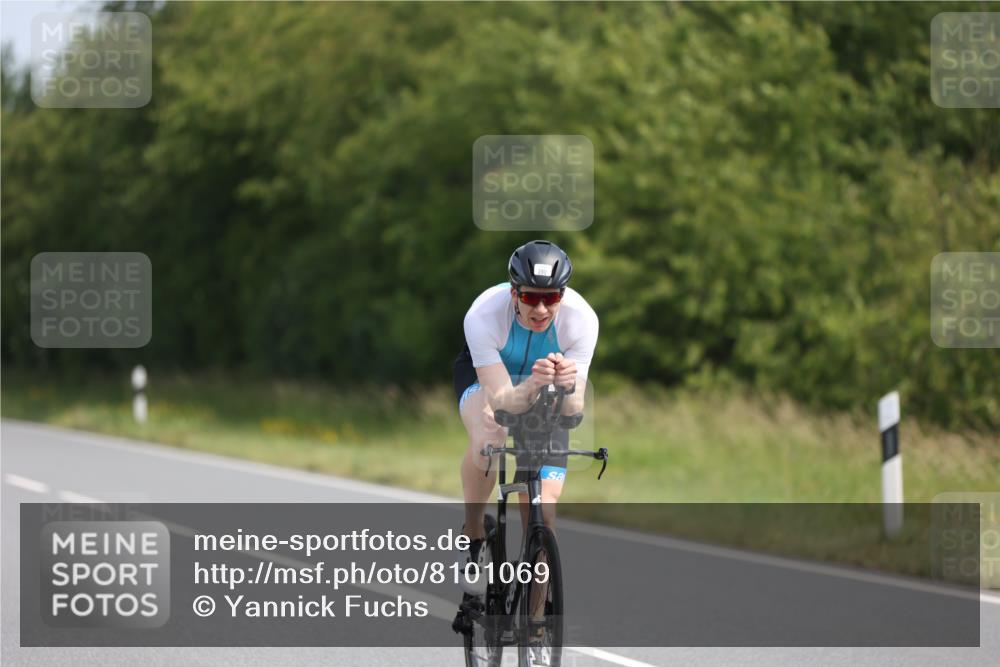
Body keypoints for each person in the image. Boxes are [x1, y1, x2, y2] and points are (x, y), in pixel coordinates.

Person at [453, 240, 598, 596]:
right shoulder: (483, 315)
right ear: (514, 293)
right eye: (532, 297)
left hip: (545, 388)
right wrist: (533, 383)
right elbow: (503, 402)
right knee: (491, 432)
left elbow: (573, 413)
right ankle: (474, 533)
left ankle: (536, 625)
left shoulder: (582, 320)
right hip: (491, 380)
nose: (542, 308)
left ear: (563, 295)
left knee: (543, 512)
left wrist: (567, 387)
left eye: (552, 297)